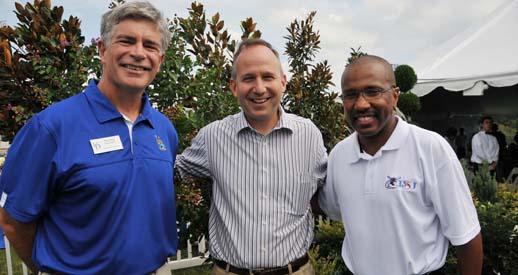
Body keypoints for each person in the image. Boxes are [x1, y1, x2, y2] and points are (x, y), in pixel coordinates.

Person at [0, 2, 179, 274]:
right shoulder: (51, 128)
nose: (138, 53)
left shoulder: (163, 129)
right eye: (126, 41)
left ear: (160, 61)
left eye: (150, 45)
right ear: (103, 51)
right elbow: (13, 220)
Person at [319, 55, 483, 275]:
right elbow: (330, 208)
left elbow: (467, 237)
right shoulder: (339, 155)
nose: (361, 104)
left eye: (373, 91)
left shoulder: (430, 148)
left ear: (394, 96)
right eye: (350, 95)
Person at [176, 38, 327, 275]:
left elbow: (328, 192)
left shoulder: (309, 135)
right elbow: (171, 173)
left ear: (283, 82)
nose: (259, 88)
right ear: (234, 87)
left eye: (268, 77)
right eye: (248, 78)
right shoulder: (212, 137)